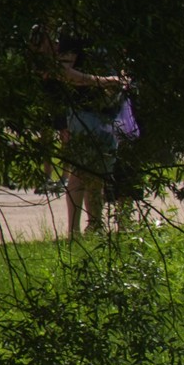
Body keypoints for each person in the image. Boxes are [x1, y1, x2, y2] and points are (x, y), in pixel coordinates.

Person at [52, 32, 128, 237]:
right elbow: (63, 72)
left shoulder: (113, 31)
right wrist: (103, 81)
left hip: (111, 115)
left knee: (99, 175)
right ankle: (74, 232)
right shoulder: (74, 34)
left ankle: (95, 226)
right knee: (79, 173)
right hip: (82, 113)